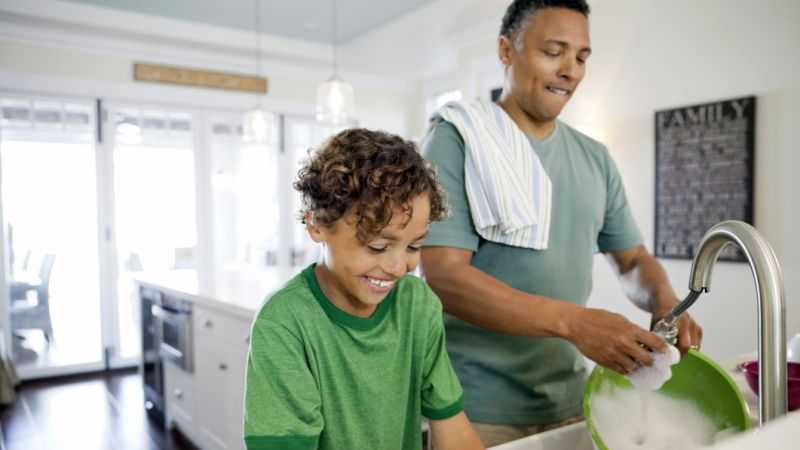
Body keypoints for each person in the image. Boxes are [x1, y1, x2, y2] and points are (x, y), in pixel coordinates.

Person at [420, 0, 703, 447]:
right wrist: (575, 323)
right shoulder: (456, 139)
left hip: (573, 400)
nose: (571, 70)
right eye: (554, 51)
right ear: (507, 51)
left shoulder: (595, 158)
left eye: (582, 57)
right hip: (474, 407)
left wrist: (666, 303)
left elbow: (631, 260)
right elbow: (443, 275)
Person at [243, 129, 485, 450]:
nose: (399, 268)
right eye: (377, 246)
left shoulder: (417, 304)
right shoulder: (285, 322)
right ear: (317, 224)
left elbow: (451, 424)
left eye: (415, 246)